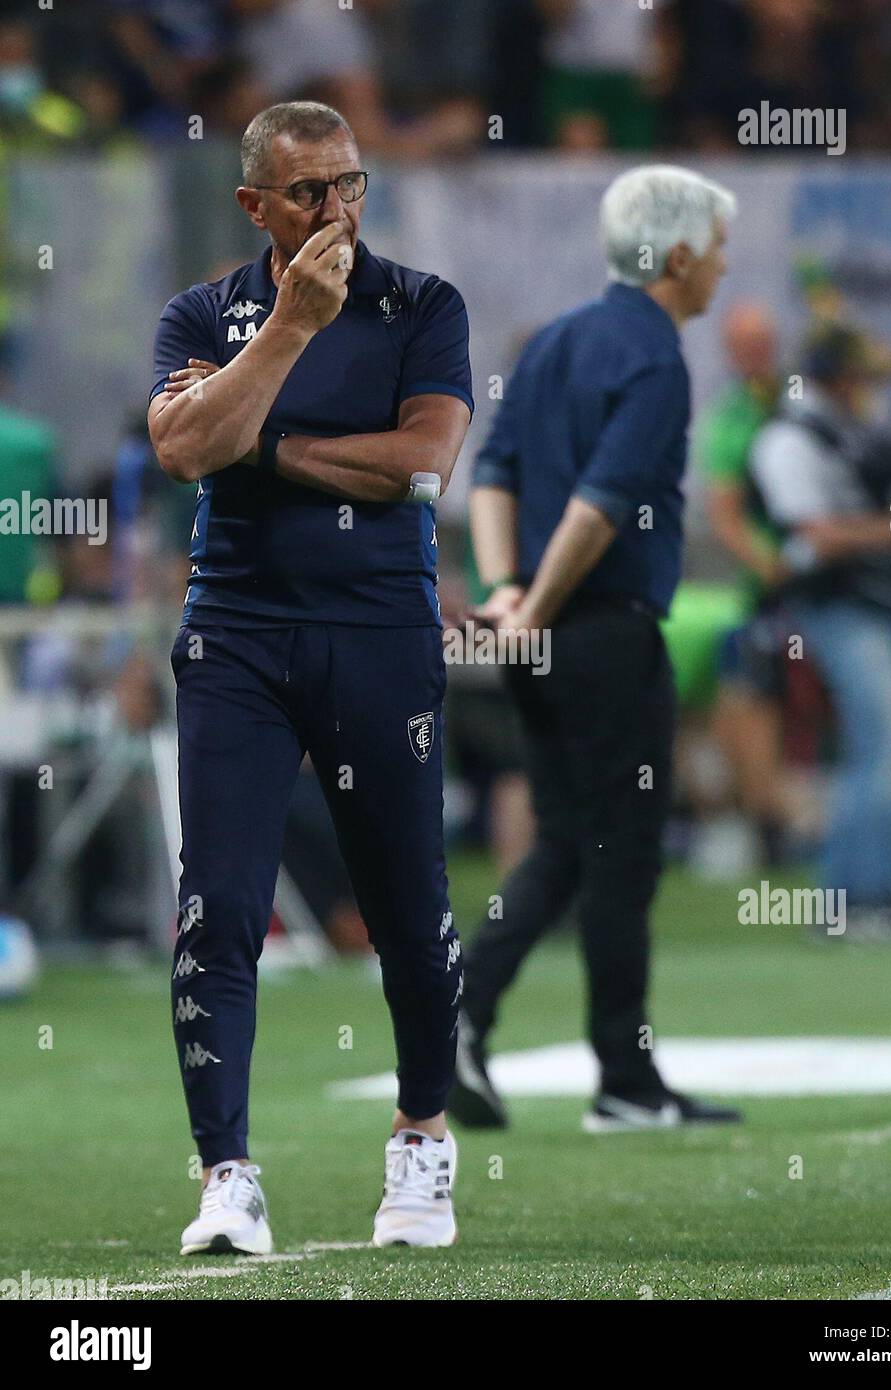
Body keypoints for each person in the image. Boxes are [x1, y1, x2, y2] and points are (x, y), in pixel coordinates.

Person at [147, 101, 473, 1252]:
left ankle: (422, 1136)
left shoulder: (422, 306)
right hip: (235, 631)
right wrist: (285, 333)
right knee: (217, 909)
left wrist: (263, 440)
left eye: (351, 185)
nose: (337, 210)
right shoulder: (206, 310)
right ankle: (226, 1174)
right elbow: (185, 449)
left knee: (407, 908)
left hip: (378, 629)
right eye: (308, 193)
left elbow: (421, 464)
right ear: (256, 207)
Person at [449, 164, 743, 1133]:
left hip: (538, 631)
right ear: (680, 254)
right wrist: (541, 600)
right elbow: (605, 502)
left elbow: (492, 471)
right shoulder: (654, 356)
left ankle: (456, 1022)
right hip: (603, 630)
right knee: (621, 858)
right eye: (717, 246)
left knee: (567, 845)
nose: (724, 266)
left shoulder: (558, 339)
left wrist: (506, 592)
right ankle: (624, 1080)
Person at [748, 324, 891, 941]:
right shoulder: (788, 438)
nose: (869, 389)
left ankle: (861, 898)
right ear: (836, 376)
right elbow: (813, 535)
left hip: (879, 604)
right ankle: (859, 900)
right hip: (837, 606)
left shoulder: (849, 432)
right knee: (887, 739)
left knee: (878, 745)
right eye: (860, 376)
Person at [699, 302, 790, 862]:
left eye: (762, 340)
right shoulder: (732, 417)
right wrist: (773, 565)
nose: (754, 353)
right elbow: (724, 509)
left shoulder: (798, 400)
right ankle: (764, 819)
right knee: (747, 696)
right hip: (773, 589)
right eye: (743, 343)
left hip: (839, 579)